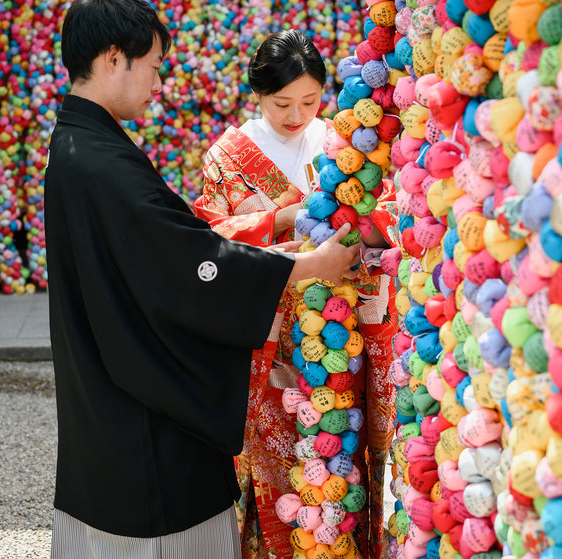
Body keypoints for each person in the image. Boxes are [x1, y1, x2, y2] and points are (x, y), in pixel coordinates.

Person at [44, 2, 361, 557]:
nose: (159, 82)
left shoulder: (79, 145)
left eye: (309, 102)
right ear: (114, 58)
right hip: (145, 407)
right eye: (155, 66)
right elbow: (192, 261)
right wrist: (307, 264)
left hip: (314, 342)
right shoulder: (103, 162)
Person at [194, 29, 398, 559]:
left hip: (339, 334)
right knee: (271, 464)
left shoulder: (345, 147)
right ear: (257, 95)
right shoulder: (227, 156)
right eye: (282, 102)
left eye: (309, 101)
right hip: (265, 337)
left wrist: (368, 236)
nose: (296, 114)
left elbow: (387, 226)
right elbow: (207, 243)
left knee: (338, 453)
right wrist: (282, 219)